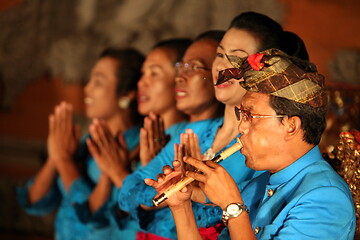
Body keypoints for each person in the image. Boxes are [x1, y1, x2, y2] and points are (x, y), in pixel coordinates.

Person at [149, 49, 356, 240]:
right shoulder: (261, 183)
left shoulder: (325, 198)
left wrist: (233, 207)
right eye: (242, 115)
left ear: (291, 125)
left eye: (250, 115)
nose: (242, 127)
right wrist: (181, 205)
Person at [17, 47, 144, 240]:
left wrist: (65, 162)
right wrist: (55, 156)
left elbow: (95, 214)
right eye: (90, 80)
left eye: (98, 82)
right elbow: (34, 202)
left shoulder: (138, 146)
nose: (87, 88)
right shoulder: (86, 142)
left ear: (127, 93)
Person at [118, 31, 226, 239]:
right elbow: (129, 192)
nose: (180, 77)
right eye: (180, 67)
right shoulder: (182, 134)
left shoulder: (235, 138)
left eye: (193, 67)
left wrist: (188, 193)